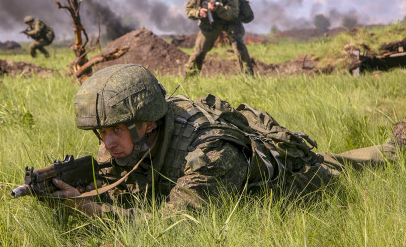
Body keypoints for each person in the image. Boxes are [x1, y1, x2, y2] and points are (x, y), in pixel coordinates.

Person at [47, 64, 405, 218]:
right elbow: (122, 185)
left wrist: (92, 210)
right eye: (102, 132)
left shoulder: (210, 154)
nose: (107, 143)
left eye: (116, 131)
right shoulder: (125, 134)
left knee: (336, 165)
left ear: (147, 124)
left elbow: (177, 225)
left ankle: (396, 146)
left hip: (279, 180)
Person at [185, 0, 255, 77]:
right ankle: (190, 78)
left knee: (238, 46)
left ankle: (249, 77)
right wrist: (199, 13)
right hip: (212, 22)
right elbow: (188, 10)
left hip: (231, 20)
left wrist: (218, 9)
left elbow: (233, 14)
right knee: (199, 50)